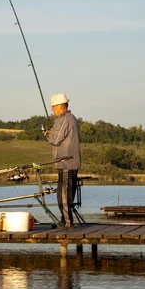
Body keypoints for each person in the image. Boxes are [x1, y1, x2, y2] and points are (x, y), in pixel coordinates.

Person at [45, 93, 81, 227]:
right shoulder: (71, 118)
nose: (52, 109)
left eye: (53, 107)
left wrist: (49, 134)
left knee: (64, 195)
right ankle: (64, 219)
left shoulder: (64, 119)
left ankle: (67, 222)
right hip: (67, 162)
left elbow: (55, 139)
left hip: (67, 162)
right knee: (65, 193)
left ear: (60, 106)